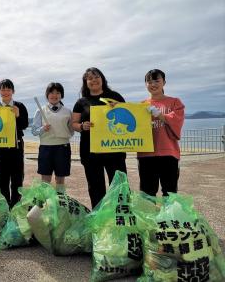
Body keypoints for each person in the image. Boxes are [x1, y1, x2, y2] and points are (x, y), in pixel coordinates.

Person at [72, 67, 127, 208]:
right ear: (85, 82)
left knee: (119, 187)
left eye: (96, 77)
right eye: (89, 78)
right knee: (96, 188)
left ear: (102, 79)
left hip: (115, 150)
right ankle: (98, 220)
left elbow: (128, 114)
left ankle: (121, 218)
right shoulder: (81, 102)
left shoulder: (115, 96)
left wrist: (119, 107)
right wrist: (82, 126)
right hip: (90, 152)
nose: (93, 80)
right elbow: (73, 124)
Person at [137, 69, 185, 196]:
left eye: (157, 81)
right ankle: (149, 216)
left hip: (169, 153)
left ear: (164, 82)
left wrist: (159, 115)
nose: (153, 84)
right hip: (146, 154)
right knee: (147, 192)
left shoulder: (175, 102)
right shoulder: (141, 105)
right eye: (149, 81)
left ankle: (168, 216)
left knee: (170, 191)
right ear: (146, 84)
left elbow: (177, 120)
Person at [0, 79, 29, 208]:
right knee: (2, 179)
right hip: (0, 148)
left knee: (17, 178)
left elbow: (25, 125)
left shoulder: (20, 106)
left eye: (8, 89)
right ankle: (5, 207)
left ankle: (16, 206)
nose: (6, 92)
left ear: (13, 91)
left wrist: (17, 115)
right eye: (3, 89)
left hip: (16, 147)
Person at [31, 82, 73, 194]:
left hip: (63, 148)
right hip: (46, 148)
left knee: (60, 179)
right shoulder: (40, 110)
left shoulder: (67, 111)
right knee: (45, 180)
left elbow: (71, 130)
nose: (54, 95)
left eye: (57, 93)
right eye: (51, 93)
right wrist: (43, 129)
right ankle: (45, 205)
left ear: (61, 95)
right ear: (47, 95)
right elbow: (34, 131)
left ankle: (60, 202)